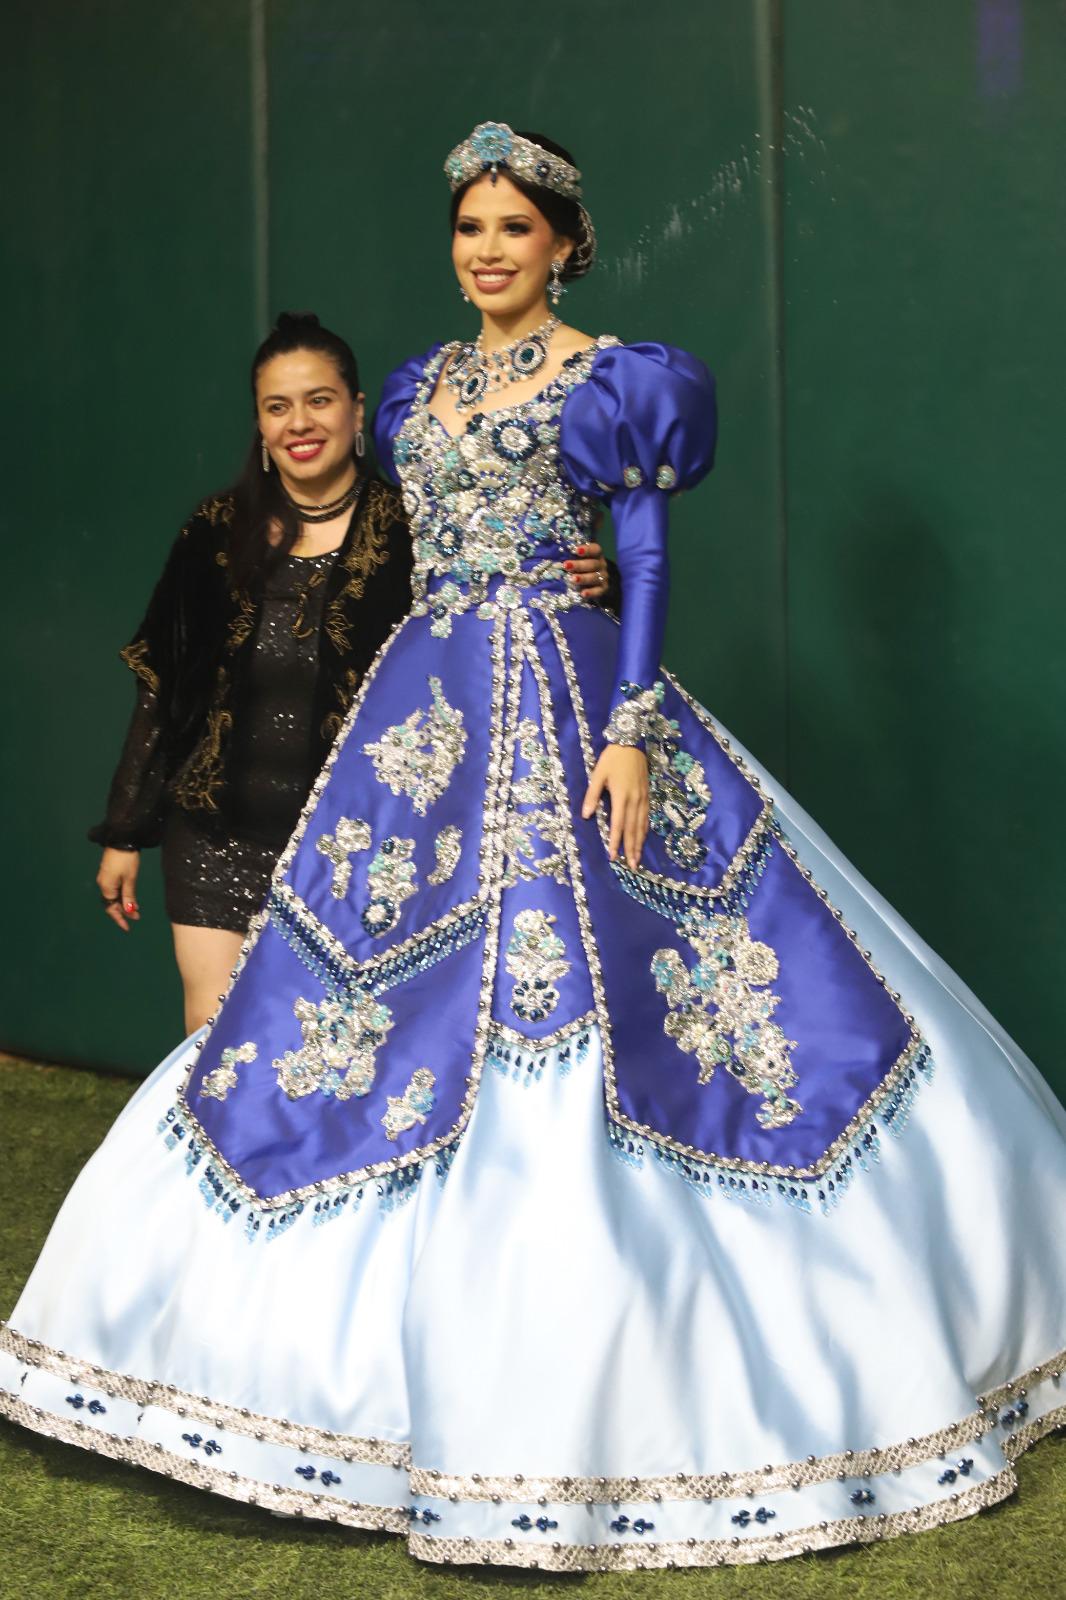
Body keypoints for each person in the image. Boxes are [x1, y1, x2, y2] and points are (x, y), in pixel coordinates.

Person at [2, 123, 1064, 1574]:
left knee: (660, 999)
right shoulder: (416, 387)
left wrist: (629, 725)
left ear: (566, 241)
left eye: (513, 229)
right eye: (468, 230)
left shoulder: (616, 379)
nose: (486, 252)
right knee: (362, 1008)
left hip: (575, 704)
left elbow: (637, 554)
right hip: (424, 719)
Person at [89, 312, 612, 1032]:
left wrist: (593, 579)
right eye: (277, 407)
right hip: (216, 839)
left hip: (361, 845)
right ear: (260, 425)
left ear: (357, 410)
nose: (299, 422)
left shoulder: (415, 526)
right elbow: (163, 685)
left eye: (319, 400)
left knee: (338, 1063)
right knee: (213, 1053)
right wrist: (124, 830)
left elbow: (496, 607)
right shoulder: (215, 528)